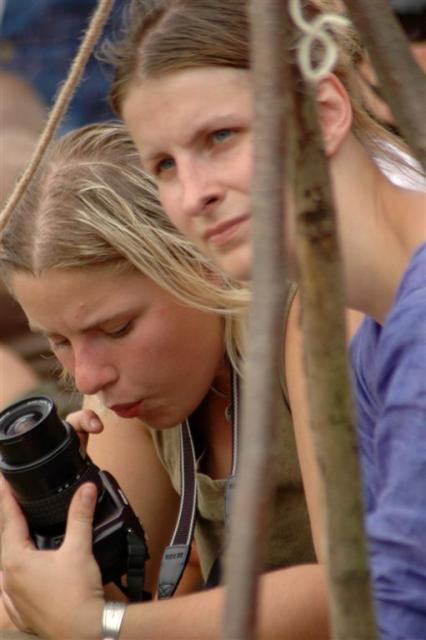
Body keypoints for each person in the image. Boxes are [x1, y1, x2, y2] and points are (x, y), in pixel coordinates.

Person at [100, 0, 424, 638]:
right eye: (164, 165)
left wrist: (103, 626)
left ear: (325, 113)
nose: (194, 194)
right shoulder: (372, 330)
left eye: (220, 137)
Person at [0, 122, 328, 639]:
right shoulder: (130, 384)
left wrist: (104, 626)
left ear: (201, 264)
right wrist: (53, 535)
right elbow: (116, 593)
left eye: (117, 329)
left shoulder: (307, 325)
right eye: (58, 341)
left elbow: (357, 585)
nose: (88, 376)